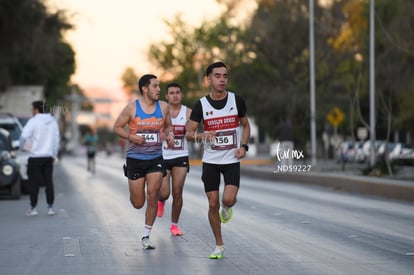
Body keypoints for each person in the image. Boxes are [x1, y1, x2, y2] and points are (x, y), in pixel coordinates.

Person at [186, 61, 251, 259]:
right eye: (217, 76)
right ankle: (219, 245)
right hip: (211, 161)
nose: (222, 79)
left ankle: (227, 207)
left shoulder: (236, 100)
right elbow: (189, 133)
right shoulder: (201, 105)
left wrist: (243, 146)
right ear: (209, 79)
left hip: (231, 160)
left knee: (228, 199)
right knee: (212, 204)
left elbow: (246, 126)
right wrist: (203, 136)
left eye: (225, 76)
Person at [113, 74, 174, 250]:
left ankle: (146, 235)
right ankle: (134, 191)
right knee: (138, 203)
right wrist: (131, 137)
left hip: (155, 158)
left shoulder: (163, 107)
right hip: (135, 159)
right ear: (144, 89)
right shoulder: (131, 108)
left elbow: (168, 126)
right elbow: (116, 127)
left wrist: (169, 135)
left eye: (159, 86)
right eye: (155, 86)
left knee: (152, 194)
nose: (159, 90)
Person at [157, 82, 192, 236]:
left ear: (181, 95)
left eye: (178, 92)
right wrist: (164, 136)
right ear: (167, 96)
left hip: (181, 156)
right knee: (165, 193)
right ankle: (161, 201)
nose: (175, 95)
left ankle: (174, 225)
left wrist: (190, 130)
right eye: (171, 93)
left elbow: (192, 133)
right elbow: (153, 132)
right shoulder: (160, 112)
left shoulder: (188, 113)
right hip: (163, 156)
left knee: (178, 192)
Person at [20, 100, 60, 216]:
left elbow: (23, 136)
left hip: (35, 157)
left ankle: (33, 208)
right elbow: (56, 139)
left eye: (33, 109)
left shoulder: (33, 121)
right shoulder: (52, 121)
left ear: (36, 109)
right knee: (49, 182)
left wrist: (22, 147)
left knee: (34, 183)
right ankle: (50, 208)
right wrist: (54, 155)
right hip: (48, 157)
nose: (32, 111)